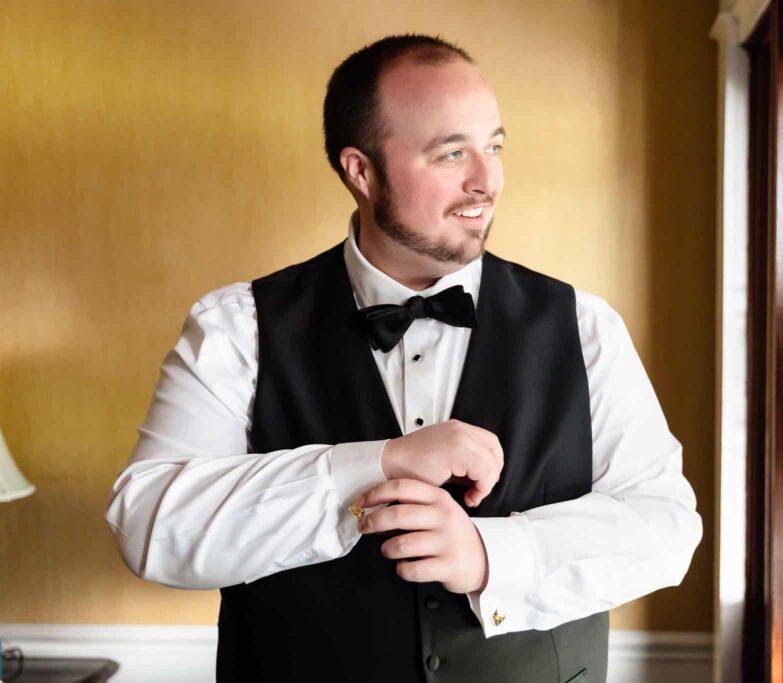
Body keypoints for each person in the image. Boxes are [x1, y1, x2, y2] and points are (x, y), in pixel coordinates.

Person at [105, 34, 702, 683]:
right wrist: (375, 466)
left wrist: (490, 553)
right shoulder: (236, 328)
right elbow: (150, 522)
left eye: (494, 145)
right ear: (361, 170)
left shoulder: (585, 328)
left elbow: (666, 525)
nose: (487, 180)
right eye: (452, 153)